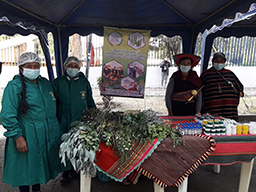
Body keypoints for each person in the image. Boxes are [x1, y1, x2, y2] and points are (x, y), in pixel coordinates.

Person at [0, 52, 63, 192]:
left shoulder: (45, 83)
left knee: (38, 164)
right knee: (25, 166)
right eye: (29, 66)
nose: (33, 69)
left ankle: (37, 189)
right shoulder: (14, 86)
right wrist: (18, 137)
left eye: (36, 66)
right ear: (21, 68)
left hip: (45, 132)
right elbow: (7, 114)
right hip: (26, 133)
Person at [53, 56, 96, 184]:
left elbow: (89, 101)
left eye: (75, 66)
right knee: (64, 147)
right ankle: (65, 173)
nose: (73, 68)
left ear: (79, 68)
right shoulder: (58, 82)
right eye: (70, 66)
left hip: (80, 121)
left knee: (78, 146)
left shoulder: (84, 82)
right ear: (65, 67)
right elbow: (53, 103)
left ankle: (74, 170)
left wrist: (94, 114)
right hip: (63, 120)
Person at [200, 52, 244, 121]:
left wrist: (240, 92)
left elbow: (239, 86)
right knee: (212, 125)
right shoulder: (206, 74)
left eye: (221, 61)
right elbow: (199, 89)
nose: (219, 63)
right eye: (216, 61)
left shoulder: (230, 73)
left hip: (229, 109)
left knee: (229, 127)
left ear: (224, 62)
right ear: (212, 62)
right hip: (212, 107)